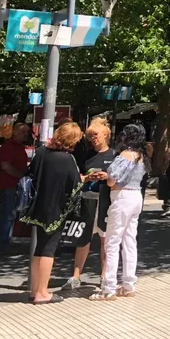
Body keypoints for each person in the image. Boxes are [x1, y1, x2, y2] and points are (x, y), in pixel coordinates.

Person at [22, 122, 84, 305]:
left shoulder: (41, 152)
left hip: (38, 207)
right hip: (55, 210)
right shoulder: (67, 159)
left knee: (39, 248)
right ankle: (42, 292)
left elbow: (31, 172)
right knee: (49, 250)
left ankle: (35, 290)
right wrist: (85, 178)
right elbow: (75, 185)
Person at [91, 124, 147, 300]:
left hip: (121, 197)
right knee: (130, 241)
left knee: (112, 242)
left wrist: (106, 176)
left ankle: (109, 288)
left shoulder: (124, 155)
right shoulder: (141, 156)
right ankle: (129, 284)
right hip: (136, 196)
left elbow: (111, 180)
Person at [63, 119, 115, 291]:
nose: (93, 139)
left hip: (106, 201)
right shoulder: (86, 156)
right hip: (87, 200)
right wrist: (87, 177)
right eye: (90, 136)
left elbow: (119, 180)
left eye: (96, 135)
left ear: (106, 134)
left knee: (105, 240)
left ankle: (104, 276)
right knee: (82, 239)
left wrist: (107, 177)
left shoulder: (114, 155)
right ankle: (76, 275)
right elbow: (78, 176)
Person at [0, 121, 29, 251]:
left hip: (17, 185)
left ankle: (6, 240)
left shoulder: (20, 147)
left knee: (13, 213)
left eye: (27, 132)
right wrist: (20, 175)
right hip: (8, 185)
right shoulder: (8, 146)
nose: (25, 135)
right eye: (23, 132)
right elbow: (5, 166)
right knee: (8, 214)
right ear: (15, 132)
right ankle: (2, 243)